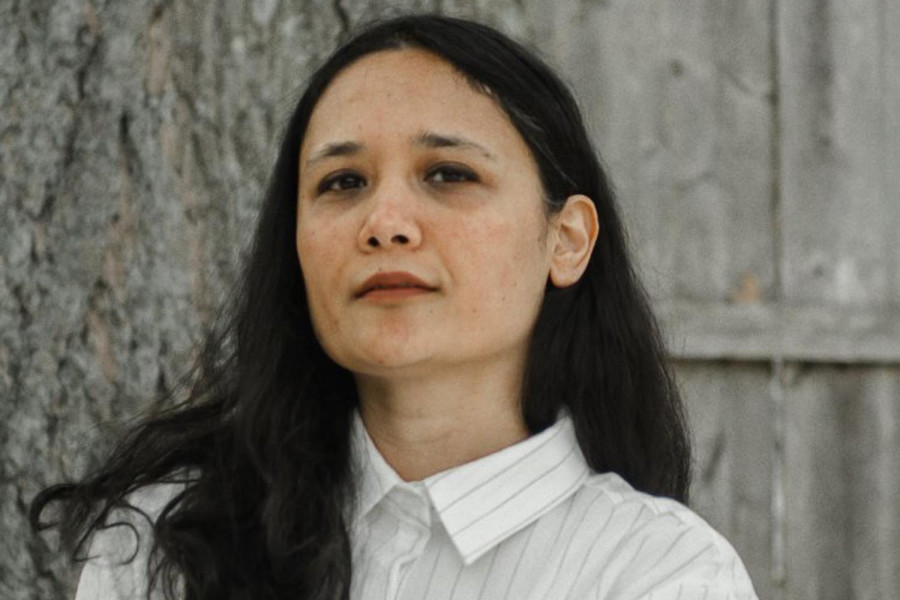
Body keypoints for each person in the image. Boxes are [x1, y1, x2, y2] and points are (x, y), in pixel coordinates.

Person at [31, 14, 759, 600]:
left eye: (448, 173)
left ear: (565, 241)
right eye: (343, 182)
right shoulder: (166, 541)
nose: (385, 223)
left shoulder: (658, 574)